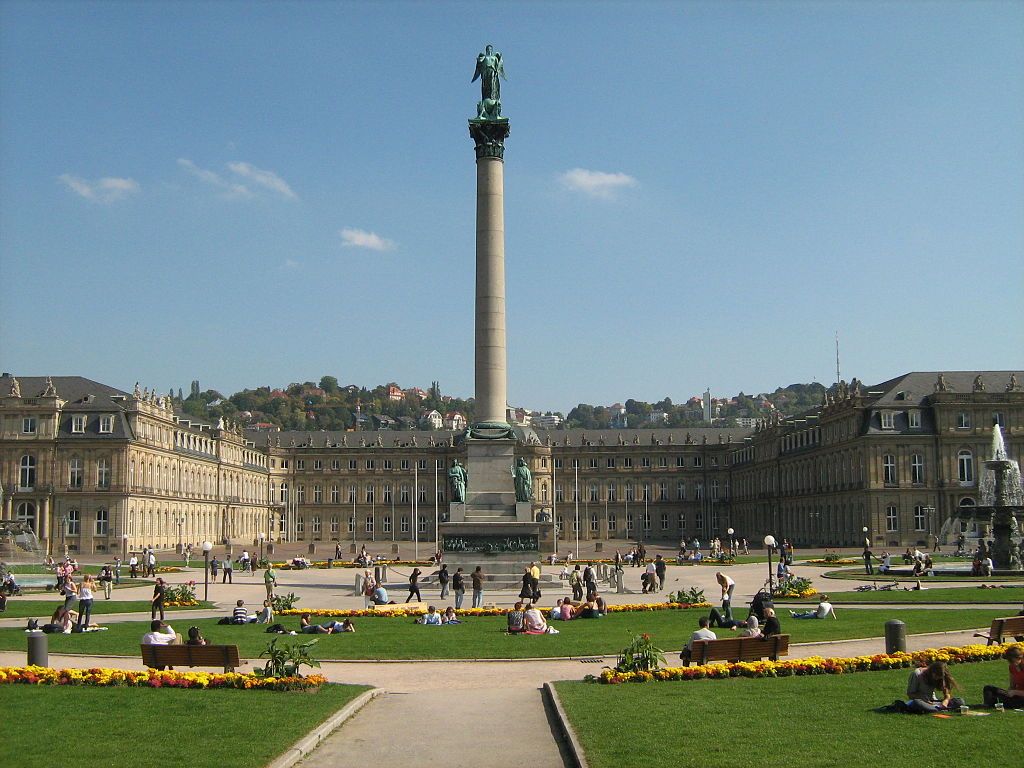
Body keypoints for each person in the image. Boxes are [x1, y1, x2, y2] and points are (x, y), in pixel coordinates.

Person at [900, 661, 964, 714]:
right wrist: (922, 697)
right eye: (936, 676)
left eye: (939, 677)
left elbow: (947, 691)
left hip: (932, 702)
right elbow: (910, 694)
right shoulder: (917, 674)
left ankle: (938, 708)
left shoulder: (941, 677)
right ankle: (939, 709)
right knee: (917, 703)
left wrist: (946, 700)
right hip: (920, 701)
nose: (937, 678)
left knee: (960, 701)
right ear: (931, 671)